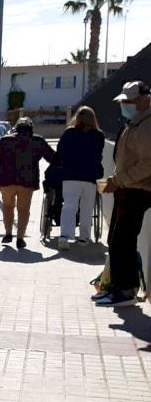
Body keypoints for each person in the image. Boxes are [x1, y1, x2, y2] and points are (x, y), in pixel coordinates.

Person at [96, 81, 151, 307]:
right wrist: (117, 181)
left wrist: (117, 180)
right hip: (127, 188)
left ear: (144, 100)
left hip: (137, 190)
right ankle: (117, 287)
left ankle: (125, 291)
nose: (124, 106)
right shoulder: (135, 123)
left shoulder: (146, 127)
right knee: (117, 240)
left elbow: (147, 164)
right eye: (123, 102)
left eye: (129, 102)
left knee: (123, 241)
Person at [0, 117, 54, 248]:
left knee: (7, 207)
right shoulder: (38, 140)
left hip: (6, 181)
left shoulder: (5, 140)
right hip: (27, 182)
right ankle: (20, 238)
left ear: (16, 128)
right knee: (23, 210)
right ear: (31, 128)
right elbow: (52, 157)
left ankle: (8, 234)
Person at [55, 107, 106, 249]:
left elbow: (60, 152)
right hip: (90, 177)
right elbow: (99, 155)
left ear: (77, 118)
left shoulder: (69, 133)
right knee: (87, 208)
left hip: (70, 175)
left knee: (69, 206)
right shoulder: (98, 135)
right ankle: (83, 237)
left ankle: (64, 236)